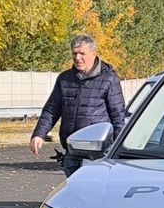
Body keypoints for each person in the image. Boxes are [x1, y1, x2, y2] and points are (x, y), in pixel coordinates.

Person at [31, 36, 127, 171]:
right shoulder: (65, 79)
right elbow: (52, 110)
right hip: (72, 149)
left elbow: (118, 117)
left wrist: (118, 150)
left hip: (98, 152)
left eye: (82, 53)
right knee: (74, 190)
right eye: (74, 54)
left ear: (93, 53)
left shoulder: (109, 79)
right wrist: (39, 134)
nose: (77, 58)